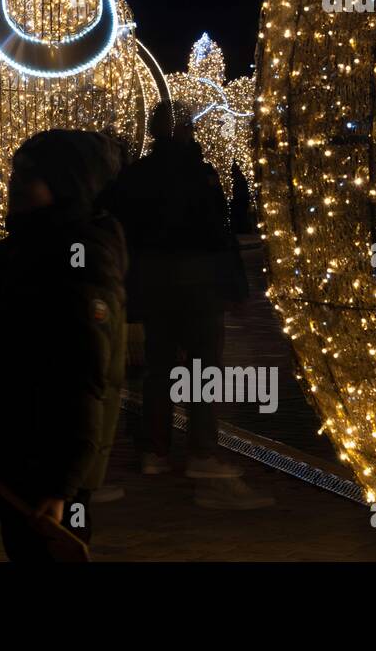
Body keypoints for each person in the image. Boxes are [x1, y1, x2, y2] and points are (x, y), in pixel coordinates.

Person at [0, 129, 126, 561]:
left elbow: (86, 375)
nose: (16, 185)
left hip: (52, 458)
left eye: (32, 176)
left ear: (66, 183)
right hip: (12, 449)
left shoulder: (81, 256)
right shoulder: (16, 252)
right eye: (15, 173)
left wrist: (62, 484)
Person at [110, 101, 268, 508]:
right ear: (183, 131)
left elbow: (121, 226)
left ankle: (155, 451)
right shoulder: (200, 175)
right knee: (203, 368)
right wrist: (235, 288)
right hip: (198, 283)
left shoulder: (139, 176)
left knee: (159, 369)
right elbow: (219, 234)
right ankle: (201, 451)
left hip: (155, 283)